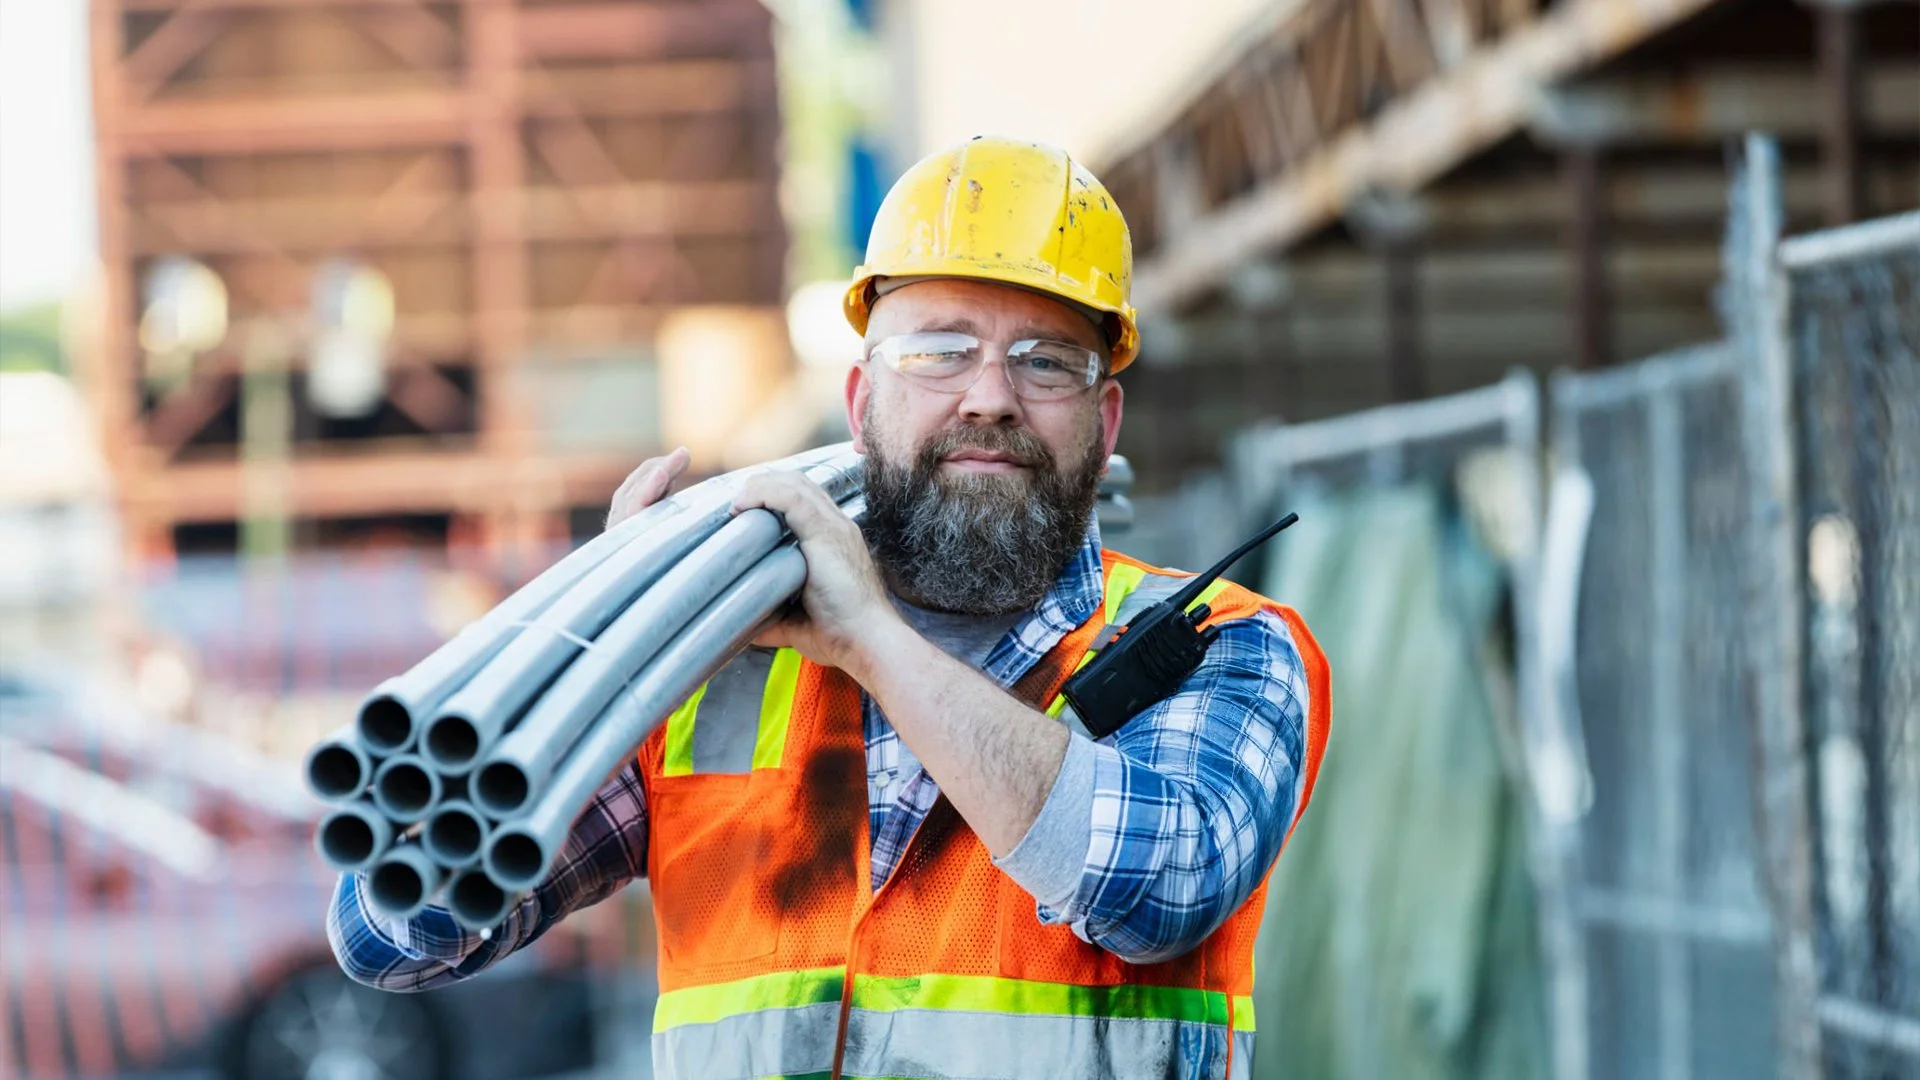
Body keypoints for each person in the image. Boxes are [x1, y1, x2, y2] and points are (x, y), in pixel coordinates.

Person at [328, 135, 1330, 1079]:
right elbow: (396, 936)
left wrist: (869, 641)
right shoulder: (715, 660)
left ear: (1103, 420)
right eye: (938, 350)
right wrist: (603, 643)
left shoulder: (1228, 647)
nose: (989, 396)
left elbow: (1158, 888)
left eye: (1045, 359)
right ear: (859, 404)